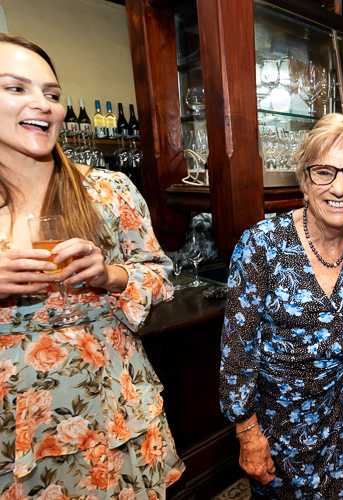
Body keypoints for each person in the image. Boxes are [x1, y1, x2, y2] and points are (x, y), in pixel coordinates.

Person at [0, 33, 183, 498]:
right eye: (16, 88)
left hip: (113, 410)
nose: (42, 104)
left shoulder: (109, 191)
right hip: (15, 430)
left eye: (52, 93)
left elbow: (159, 275)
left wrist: (110, 276)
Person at [219, 113, 343, 499]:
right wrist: (247, 433)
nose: (339, 187)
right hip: (274, 432)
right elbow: (237, 352)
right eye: (324, 172)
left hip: (340, 425)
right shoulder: (262, 245)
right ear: (304, 181)